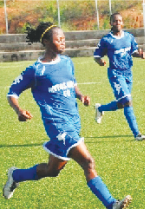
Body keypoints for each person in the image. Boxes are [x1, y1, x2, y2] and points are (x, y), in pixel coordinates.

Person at [3, 22, 132, 209]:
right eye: (58, 39)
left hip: (73, 121)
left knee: (51, 171)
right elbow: (12, 93)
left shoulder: (67, 62)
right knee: (88, 162)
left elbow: (71, 83)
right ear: (46, 42)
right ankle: (111, 204)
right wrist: (18, 110)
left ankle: (16, 175)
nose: (63, 42)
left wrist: (80, 95)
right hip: (57, 125)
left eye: (64, 39)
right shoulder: (36, 71)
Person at [93, 12, 145, 141]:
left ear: (123, 23)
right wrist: (100, 61)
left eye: (120, 21)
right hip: (115, 74)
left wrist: (140, 55)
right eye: (115, 21)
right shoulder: (106, 40)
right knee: (128, 100)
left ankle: (100, 108)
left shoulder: (129, 37)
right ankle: (137, 134)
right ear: (111, 23)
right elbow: (96, 55)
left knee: (123, 104)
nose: (118, 23)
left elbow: (133, 51)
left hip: (128, 73)